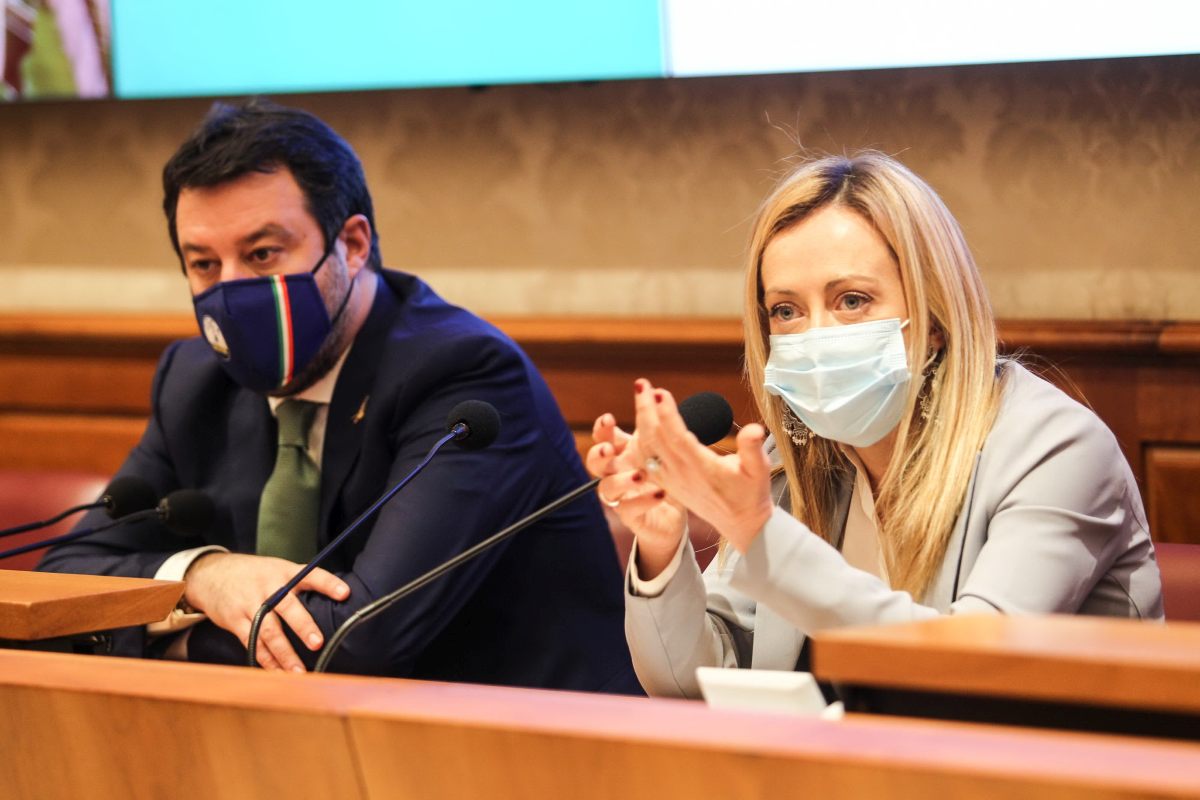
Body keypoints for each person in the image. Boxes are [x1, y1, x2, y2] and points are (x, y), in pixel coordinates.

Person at [40, 99, 641, 694]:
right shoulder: (195, 381)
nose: (231, 293)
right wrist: (202, 574)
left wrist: (171, 641)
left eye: (262, 254)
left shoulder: (462, 376)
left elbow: (360, 638)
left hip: (524, 733)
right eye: (204, 264)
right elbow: (62, 582)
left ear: (352, 244)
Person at [588, 151, 1163, 698]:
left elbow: (969, 671)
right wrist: (662, 542)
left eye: (852, 300)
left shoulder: (1057, 451)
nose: (816, 335)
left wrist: (762, 538)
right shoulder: (793, 464)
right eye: (786, 311)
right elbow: (692, 682)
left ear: (934, 317)